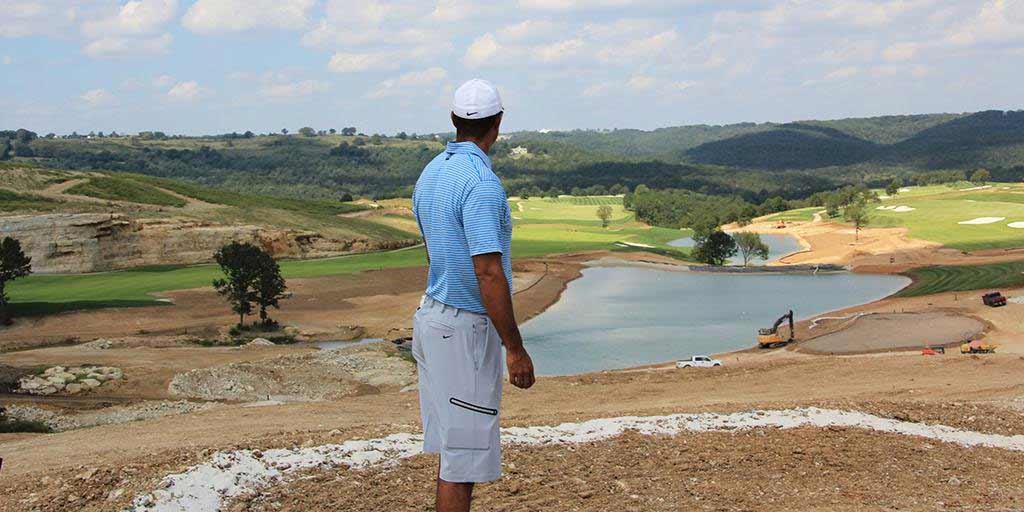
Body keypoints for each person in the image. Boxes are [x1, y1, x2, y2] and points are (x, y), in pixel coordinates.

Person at [411, 78, 536, 512]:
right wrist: (514, 348)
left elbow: (435, 251)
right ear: (498, 123)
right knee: (462, 463)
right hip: (462, 330)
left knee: (453, 449)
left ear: (454, 120)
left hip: (431, 317)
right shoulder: (482, 184)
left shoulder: (432, 172)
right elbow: (487, 272)